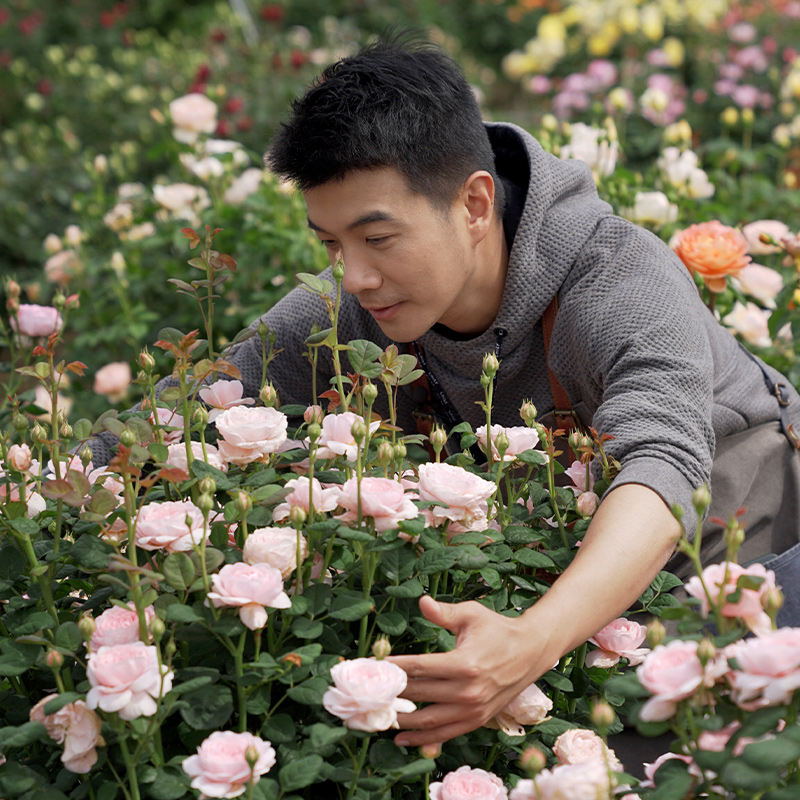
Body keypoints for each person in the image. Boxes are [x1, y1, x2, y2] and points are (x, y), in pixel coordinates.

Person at [91, 35, 800, 749]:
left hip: (746, 569)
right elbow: (164, 419)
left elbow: (663, 464)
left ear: (474, 202)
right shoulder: (350, 312)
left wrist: (529, 644)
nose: (357, 276)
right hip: (564, 605)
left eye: (378, 237)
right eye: (332, 245)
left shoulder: (618, 280)